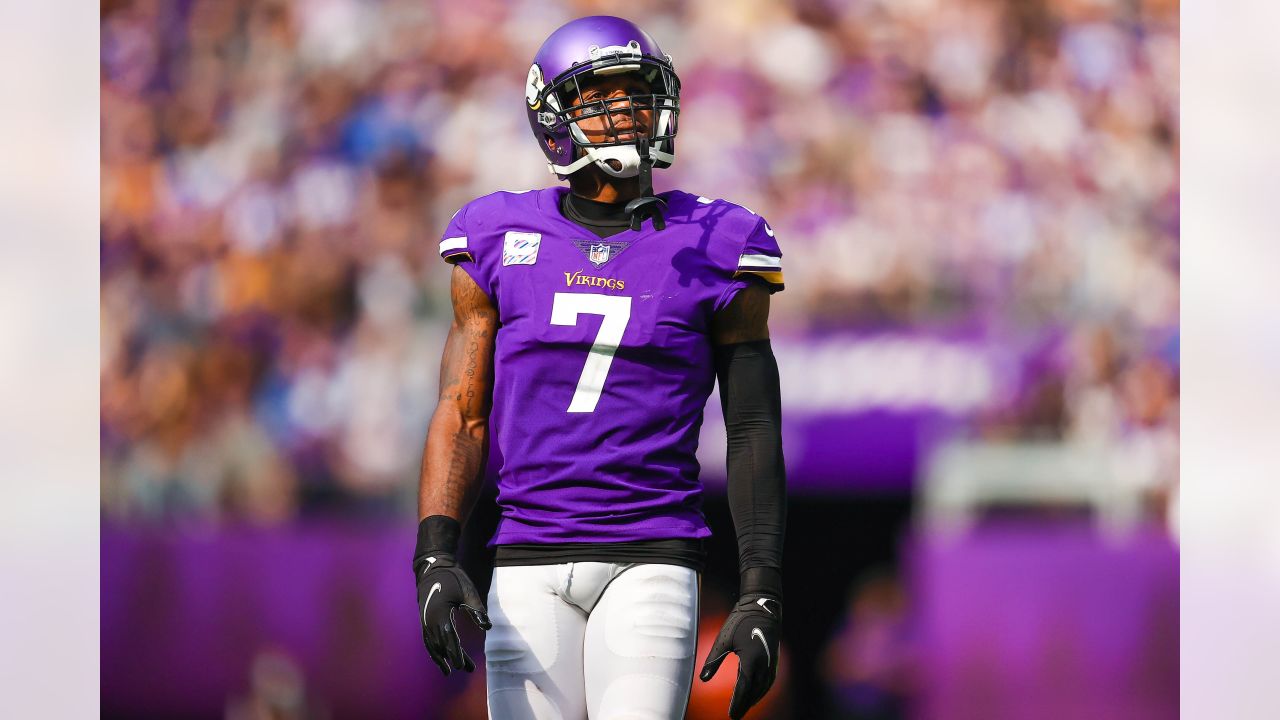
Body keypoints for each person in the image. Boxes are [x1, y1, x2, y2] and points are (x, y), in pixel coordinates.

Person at [413, 16, 786, 720]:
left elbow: (754, 428)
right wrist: (434, 551)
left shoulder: (718, 239)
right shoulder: (497, 234)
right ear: (551, 114)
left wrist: (760, 585)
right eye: (600, 94)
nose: (626, 110)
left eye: (636, 92)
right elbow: (461, 410)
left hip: (652, 553)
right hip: (525, 554)